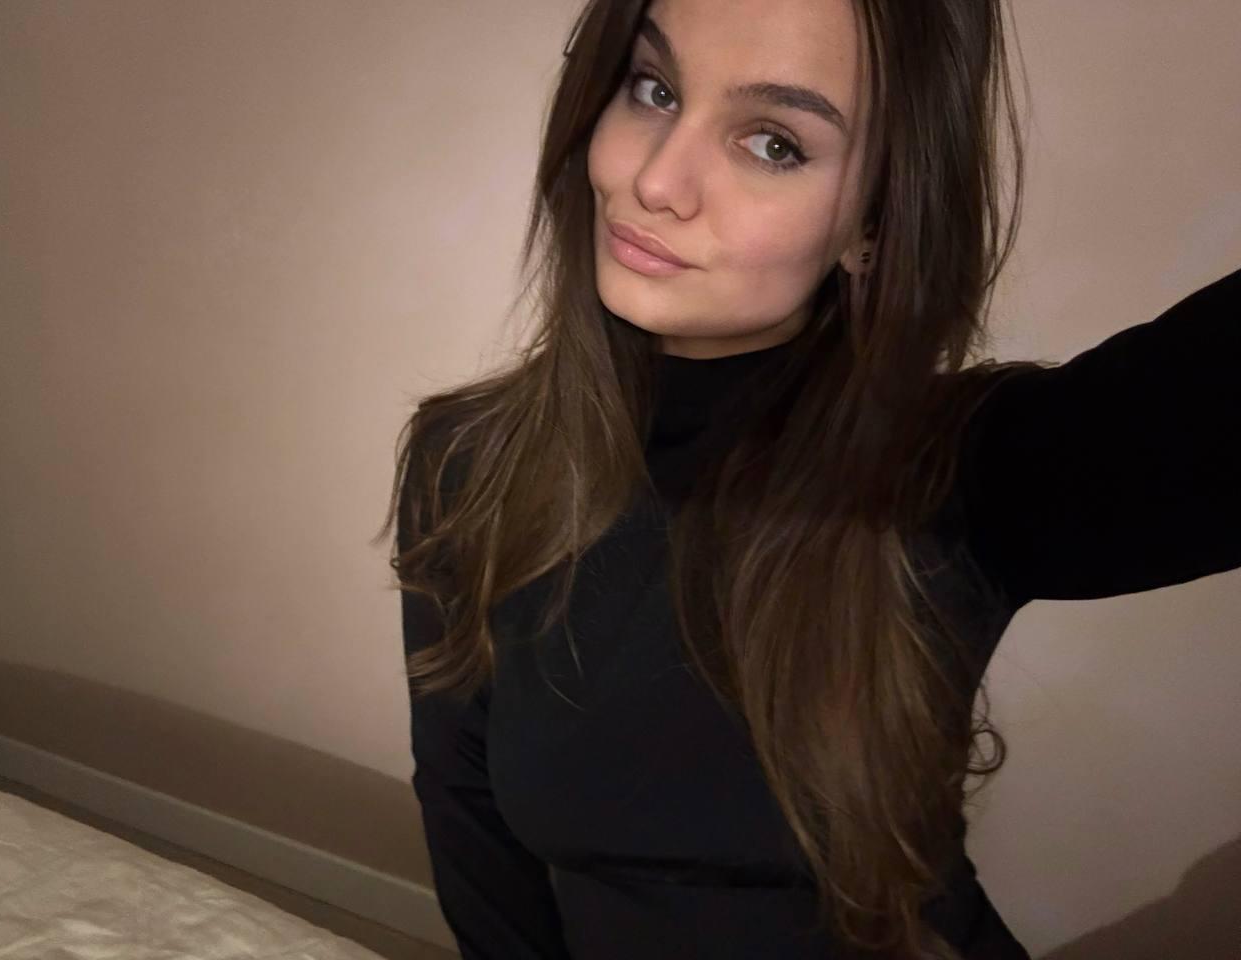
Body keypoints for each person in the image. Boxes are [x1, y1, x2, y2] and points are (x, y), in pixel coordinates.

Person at [376, 1, 1240, 957]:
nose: (655, 180)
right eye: (653, 88)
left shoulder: (955, 473)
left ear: (874, 222)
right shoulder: (465, 465)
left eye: (774, 144)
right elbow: (470, 828)